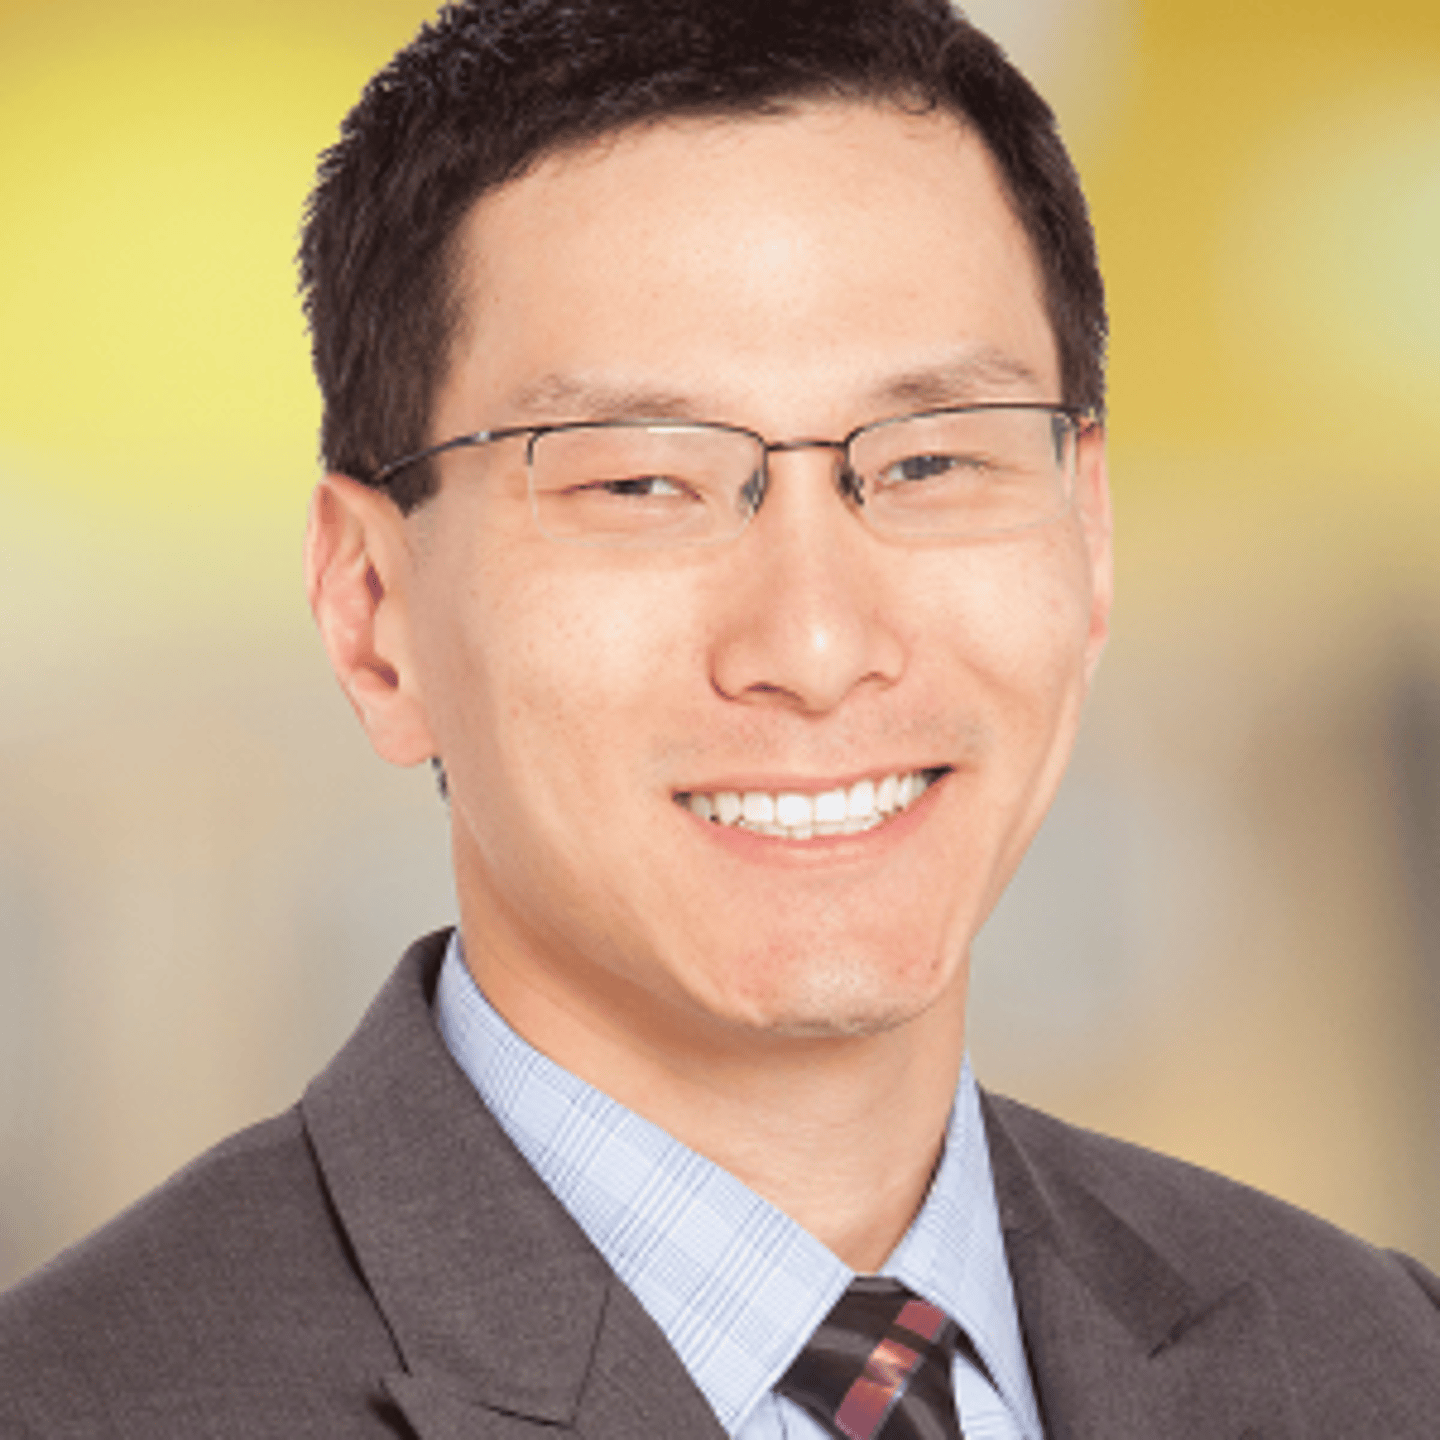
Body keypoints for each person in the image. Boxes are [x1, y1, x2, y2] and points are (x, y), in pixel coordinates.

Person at [2, 1, 1436, 1434]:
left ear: (1090, 538)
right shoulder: (85, 1403)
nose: (816, 644)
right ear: (375, 615)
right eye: (639, 485)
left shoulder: (1379, 1359)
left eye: (933, 461)